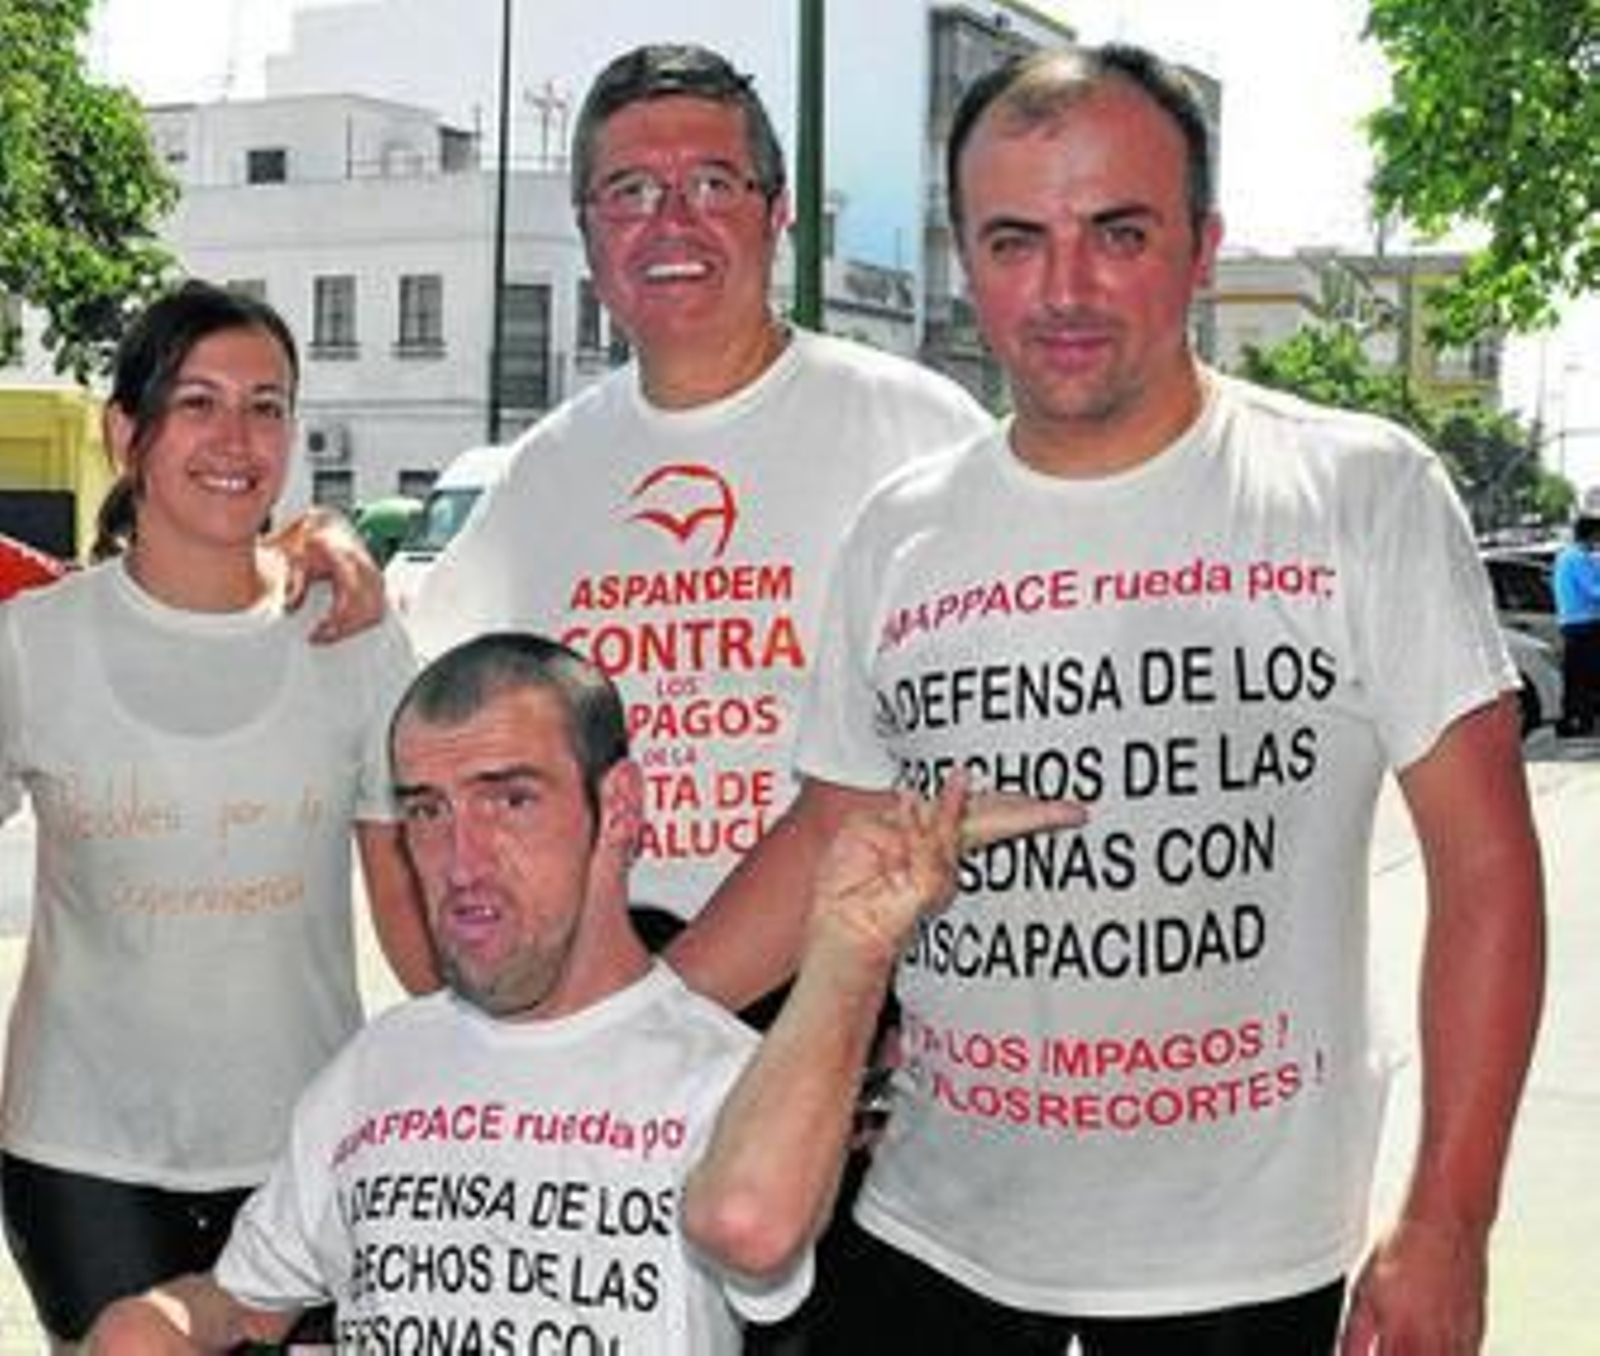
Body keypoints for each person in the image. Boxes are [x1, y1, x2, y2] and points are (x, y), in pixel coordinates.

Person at [675, 44, 1546, 1354]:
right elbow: (830, 836)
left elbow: (1484, 874)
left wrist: (1449, 1218)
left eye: (1118, 234)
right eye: (1014, 241)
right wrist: (626, 1025)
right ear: (967, 262)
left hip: (1246, 1267)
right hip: (928, 1234)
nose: (1064, 290)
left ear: (1202, 250)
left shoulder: (1361, 494)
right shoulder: (900, 533)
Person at [83, 631, 1079, 1355]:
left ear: (621, 809)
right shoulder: (376, 1067)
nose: (460, 861)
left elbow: (751, 1226)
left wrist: (850, 952)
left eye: (510, 799)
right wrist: (161, 1322)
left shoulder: (729, 1079)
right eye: (427, 812)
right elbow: (248, 1300)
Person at [403, 42, 992, 943]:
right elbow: (414, 712)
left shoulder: (916, 430)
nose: (672, 222)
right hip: (614, 989)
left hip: (855, 994)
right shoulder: (544, 473)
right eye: (631, 191)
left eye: (714, 185)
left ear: (778, 213)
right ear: (587, 230)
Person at [0, 280, 438, 1351]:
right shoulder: (33, 643)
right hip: (80, 1154)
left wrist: (517, 1064)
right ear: (126, 433)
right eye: (196, 402)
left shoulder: (352, 636)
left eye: (266, 406)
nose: (236, 438)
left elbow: (412, 898)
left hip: (306, 1149)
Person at [1552, 513, 1600, 737]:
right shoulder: (1579, 558)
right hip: (1585, 624)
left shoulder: (1565, 556)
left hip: (1572, 624)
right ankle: (1582, 721)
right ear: (1592, 534)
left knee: (1576, 675)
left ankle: (1572, 720)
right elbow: (1594, 590)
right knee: (1587, 676)